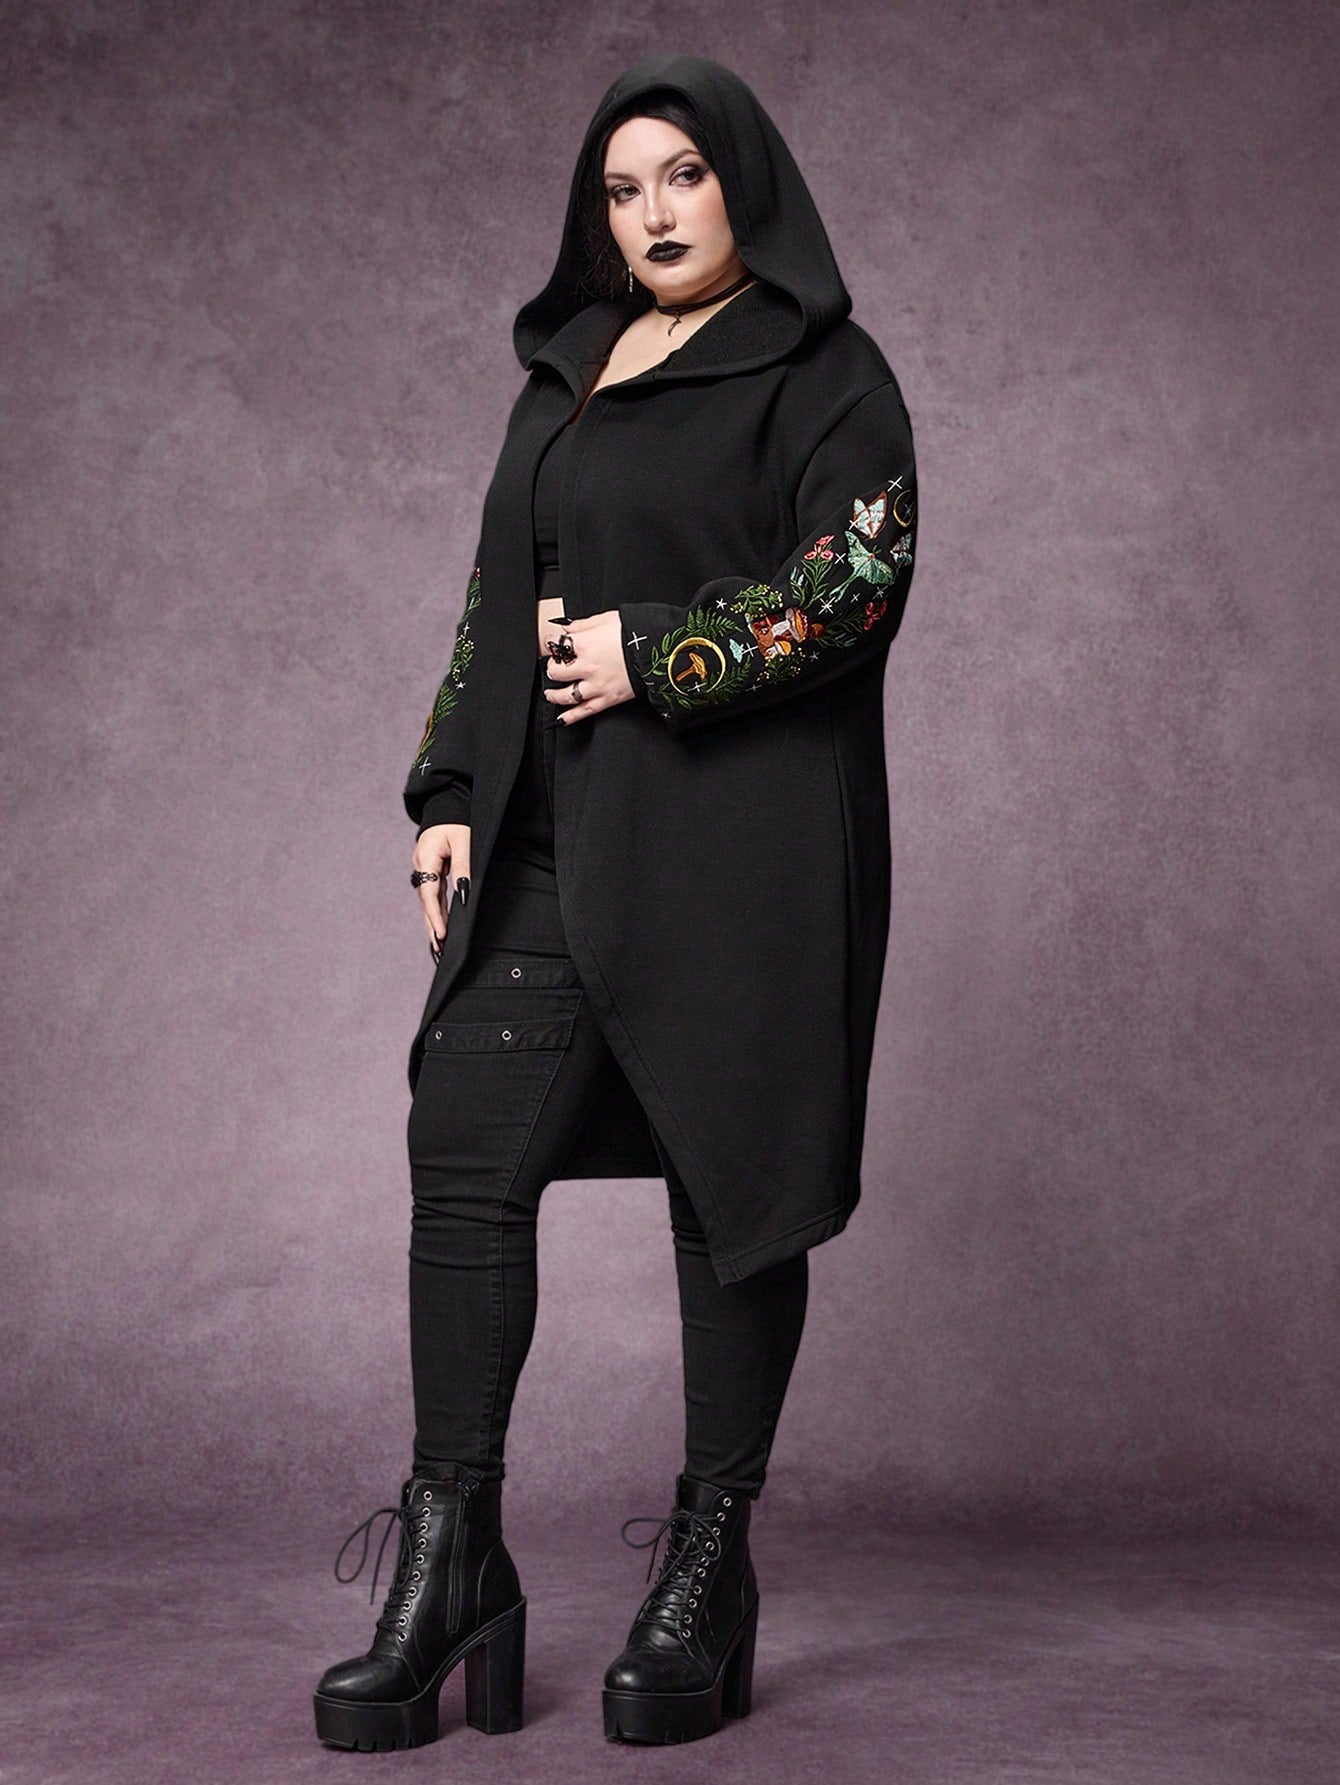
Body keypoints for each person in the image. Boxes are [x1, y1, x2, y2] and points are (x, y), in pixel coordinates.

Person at [313, 51, 917, 1753]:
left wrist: (657, 650)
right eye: (623, 188)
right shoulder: (566, 372)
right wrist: (449, 789)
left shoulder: (829, 374)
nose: (653, 214)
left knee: (734, 1182)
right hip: (550, 834)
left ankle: (709, 1562)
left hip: (745, 851)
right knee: (462, 1145)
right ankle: (453, 1560)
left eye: (684, 177)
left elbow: (857, 580)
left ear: (746, 186)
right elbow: (495, 597)